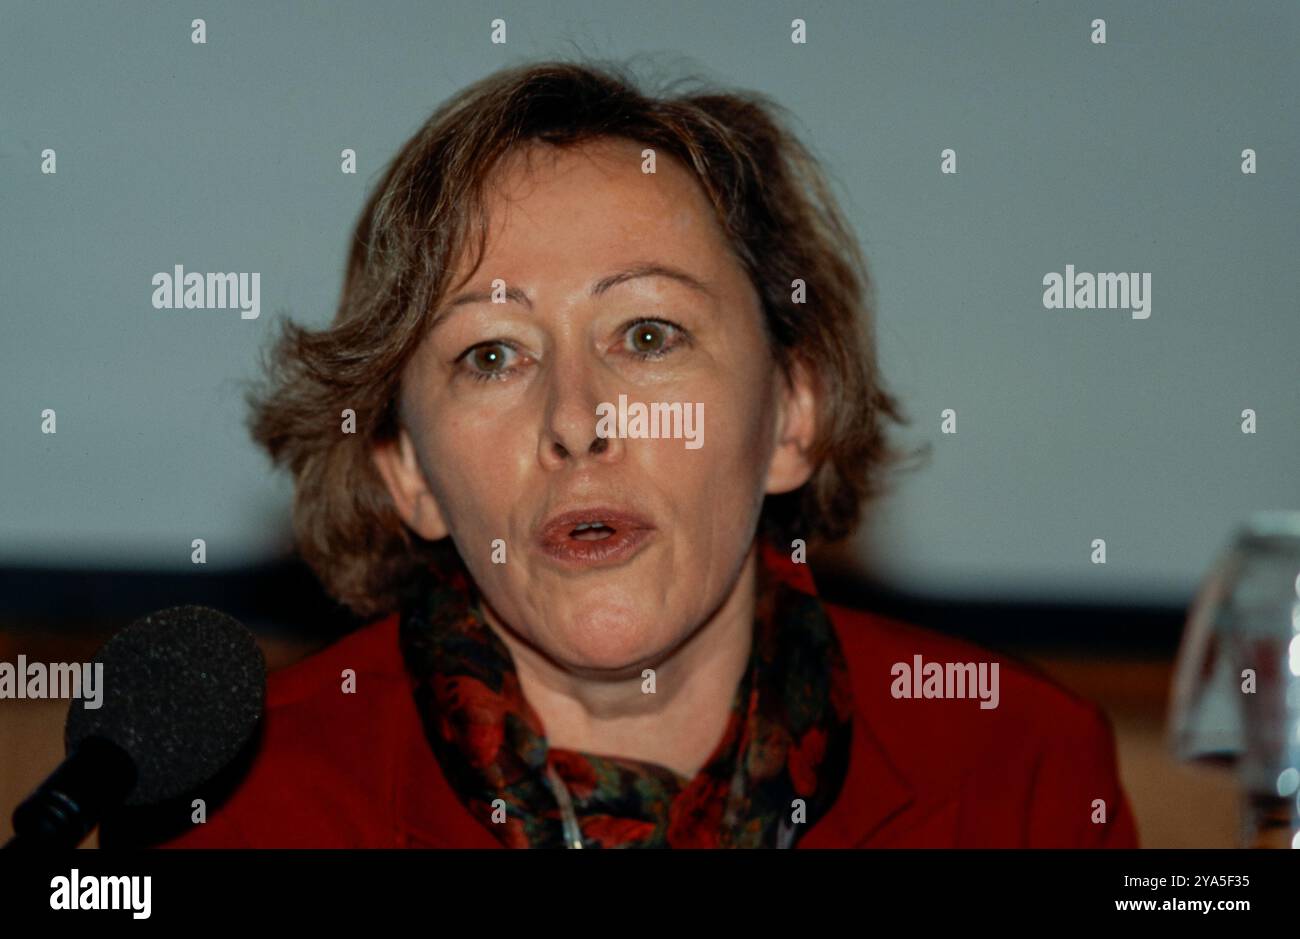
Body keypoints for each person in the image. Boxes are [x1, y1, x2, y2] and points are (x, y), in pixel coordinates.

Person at [155, 59, 1137, 849]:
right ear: (406, 471)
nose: (576, 421)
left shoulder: (1016, 770)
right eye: (492, 355)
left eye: (647, 335)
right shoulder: (245, 808)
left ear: (793, 412)